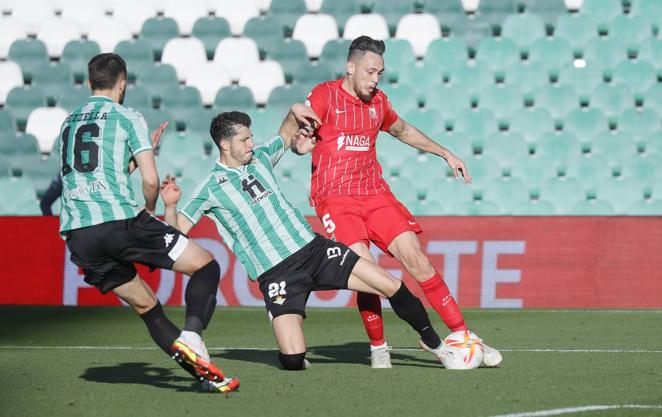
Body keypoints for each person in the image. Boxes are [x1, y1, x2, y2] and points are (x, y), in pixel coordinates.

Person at [159, 107, 460, 371]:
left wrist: (297, 116)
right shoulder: (210, 188)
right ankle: (288, 330)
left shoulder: (261, 157)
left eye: (250, 137)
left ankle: (436, 345)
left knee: (391, 285)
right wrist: (170, 206)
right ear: (225, 145)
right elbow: (175, 236)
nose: (251, 143)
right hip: (277, 273)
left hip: (314, 250)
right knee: (293, 360)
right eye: (244, 140)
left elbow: (288, 130)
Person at [300, 35, 502, 368]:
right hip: (336, 200)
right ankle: (379, 346)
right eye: (369, 72)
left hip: (375, 194)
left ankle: (464, 335)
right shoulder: (326, 96)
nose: (375, 79)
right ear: (350, 67)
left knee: (416, 258)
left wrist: (445, 153)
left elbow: (402, 130)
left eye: (379, 73)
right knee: (366, 270)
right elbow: (302, 127)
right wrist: (299, 140)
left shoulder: (379, 102)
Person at [58, 53, 239, 393]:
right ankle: (193, 335)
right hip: (119, 222)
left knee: (148, 307)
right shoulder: (127, 117)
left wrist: (131, 164)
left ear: (89, 83)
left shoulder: (69, 122)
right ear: (122, 83)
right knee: (207, 267)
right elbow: (151, 180)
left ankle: (205, 378)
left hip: (79, 235)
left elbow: (89, 175)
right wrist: (150, 210)